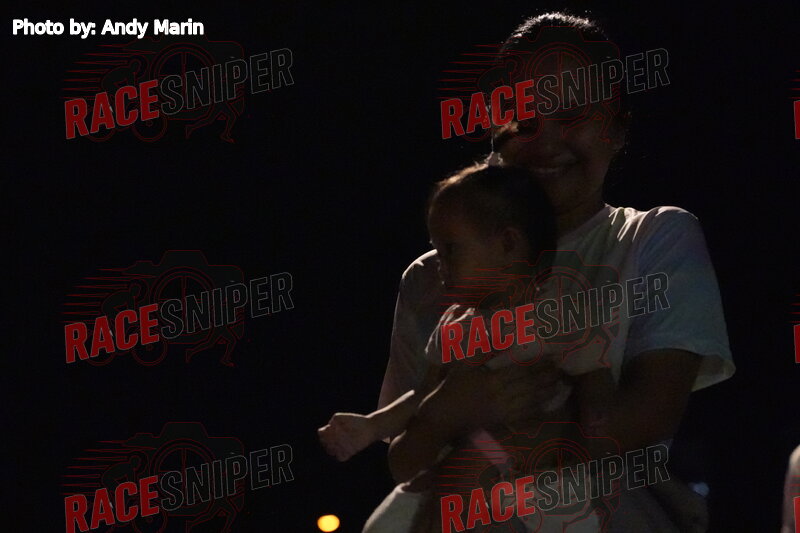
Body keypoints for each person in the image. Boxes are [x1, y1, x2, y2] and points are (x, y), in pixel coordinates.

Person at [376, 11, 735, 532]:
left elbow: (646, 416)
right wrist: (448, 413)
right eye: (523, 119)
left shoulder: (654, 239)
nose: (545, 140)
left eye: (573, 116)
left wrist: (468, 419)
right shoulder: (431, 276)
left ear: (617, 129)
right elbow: (404, 457)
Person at [319, 163, 616, 531]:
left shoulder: (556, 312)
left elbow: (593, 379)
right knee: (383, 525)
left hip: (540, 474)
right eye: (436, 250)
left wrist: (597, 430)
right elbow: (425, 397)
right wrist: (371, 426)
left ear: (508, 244)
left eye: (451, 250)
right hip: (452, 470)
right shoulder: (454, 325)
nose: (439, 265)